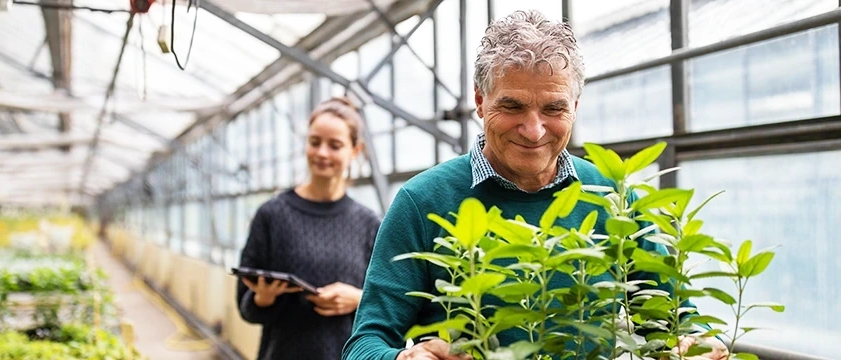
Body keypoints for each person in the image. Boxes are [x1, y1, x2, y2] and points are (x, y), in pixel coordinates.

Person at [343, 10, 728, 360]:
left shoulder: (614, 195)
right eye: (512, 107)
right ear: (480, 102)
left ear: (575, 108)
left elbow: (674, 324)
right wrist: (403, 359)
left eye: (554, 108)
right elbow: (364, 345)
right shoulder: (422, 201)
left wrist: (696, 344)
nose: (533, 130)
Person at [236, 97, 382, 360]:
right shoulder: (272, 214)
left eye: (334, 145)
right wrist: (264, 298)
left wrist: (358, 299)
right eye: (315, 142)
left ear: (355, 151)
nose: (322, 153)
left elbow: (391, 303)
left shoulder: (369, 223)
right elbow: (246, 307)